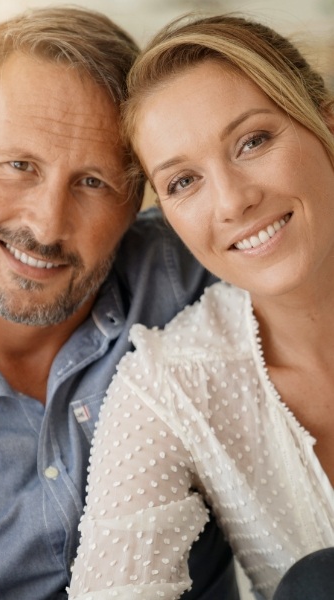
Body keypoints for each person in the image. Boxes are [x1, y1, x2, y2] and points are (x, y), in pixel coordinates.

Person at [0, 6, 241, 600]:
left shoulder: (199, 264)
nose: (47, 225)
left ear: (139, 198)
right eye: (19, 166)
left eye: (93, 182)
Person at [68, 12, 334, 600]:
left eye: (254, 141)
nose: (234, 202)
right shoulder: (171, 383)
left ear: (325, 122)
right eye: (184, 181)